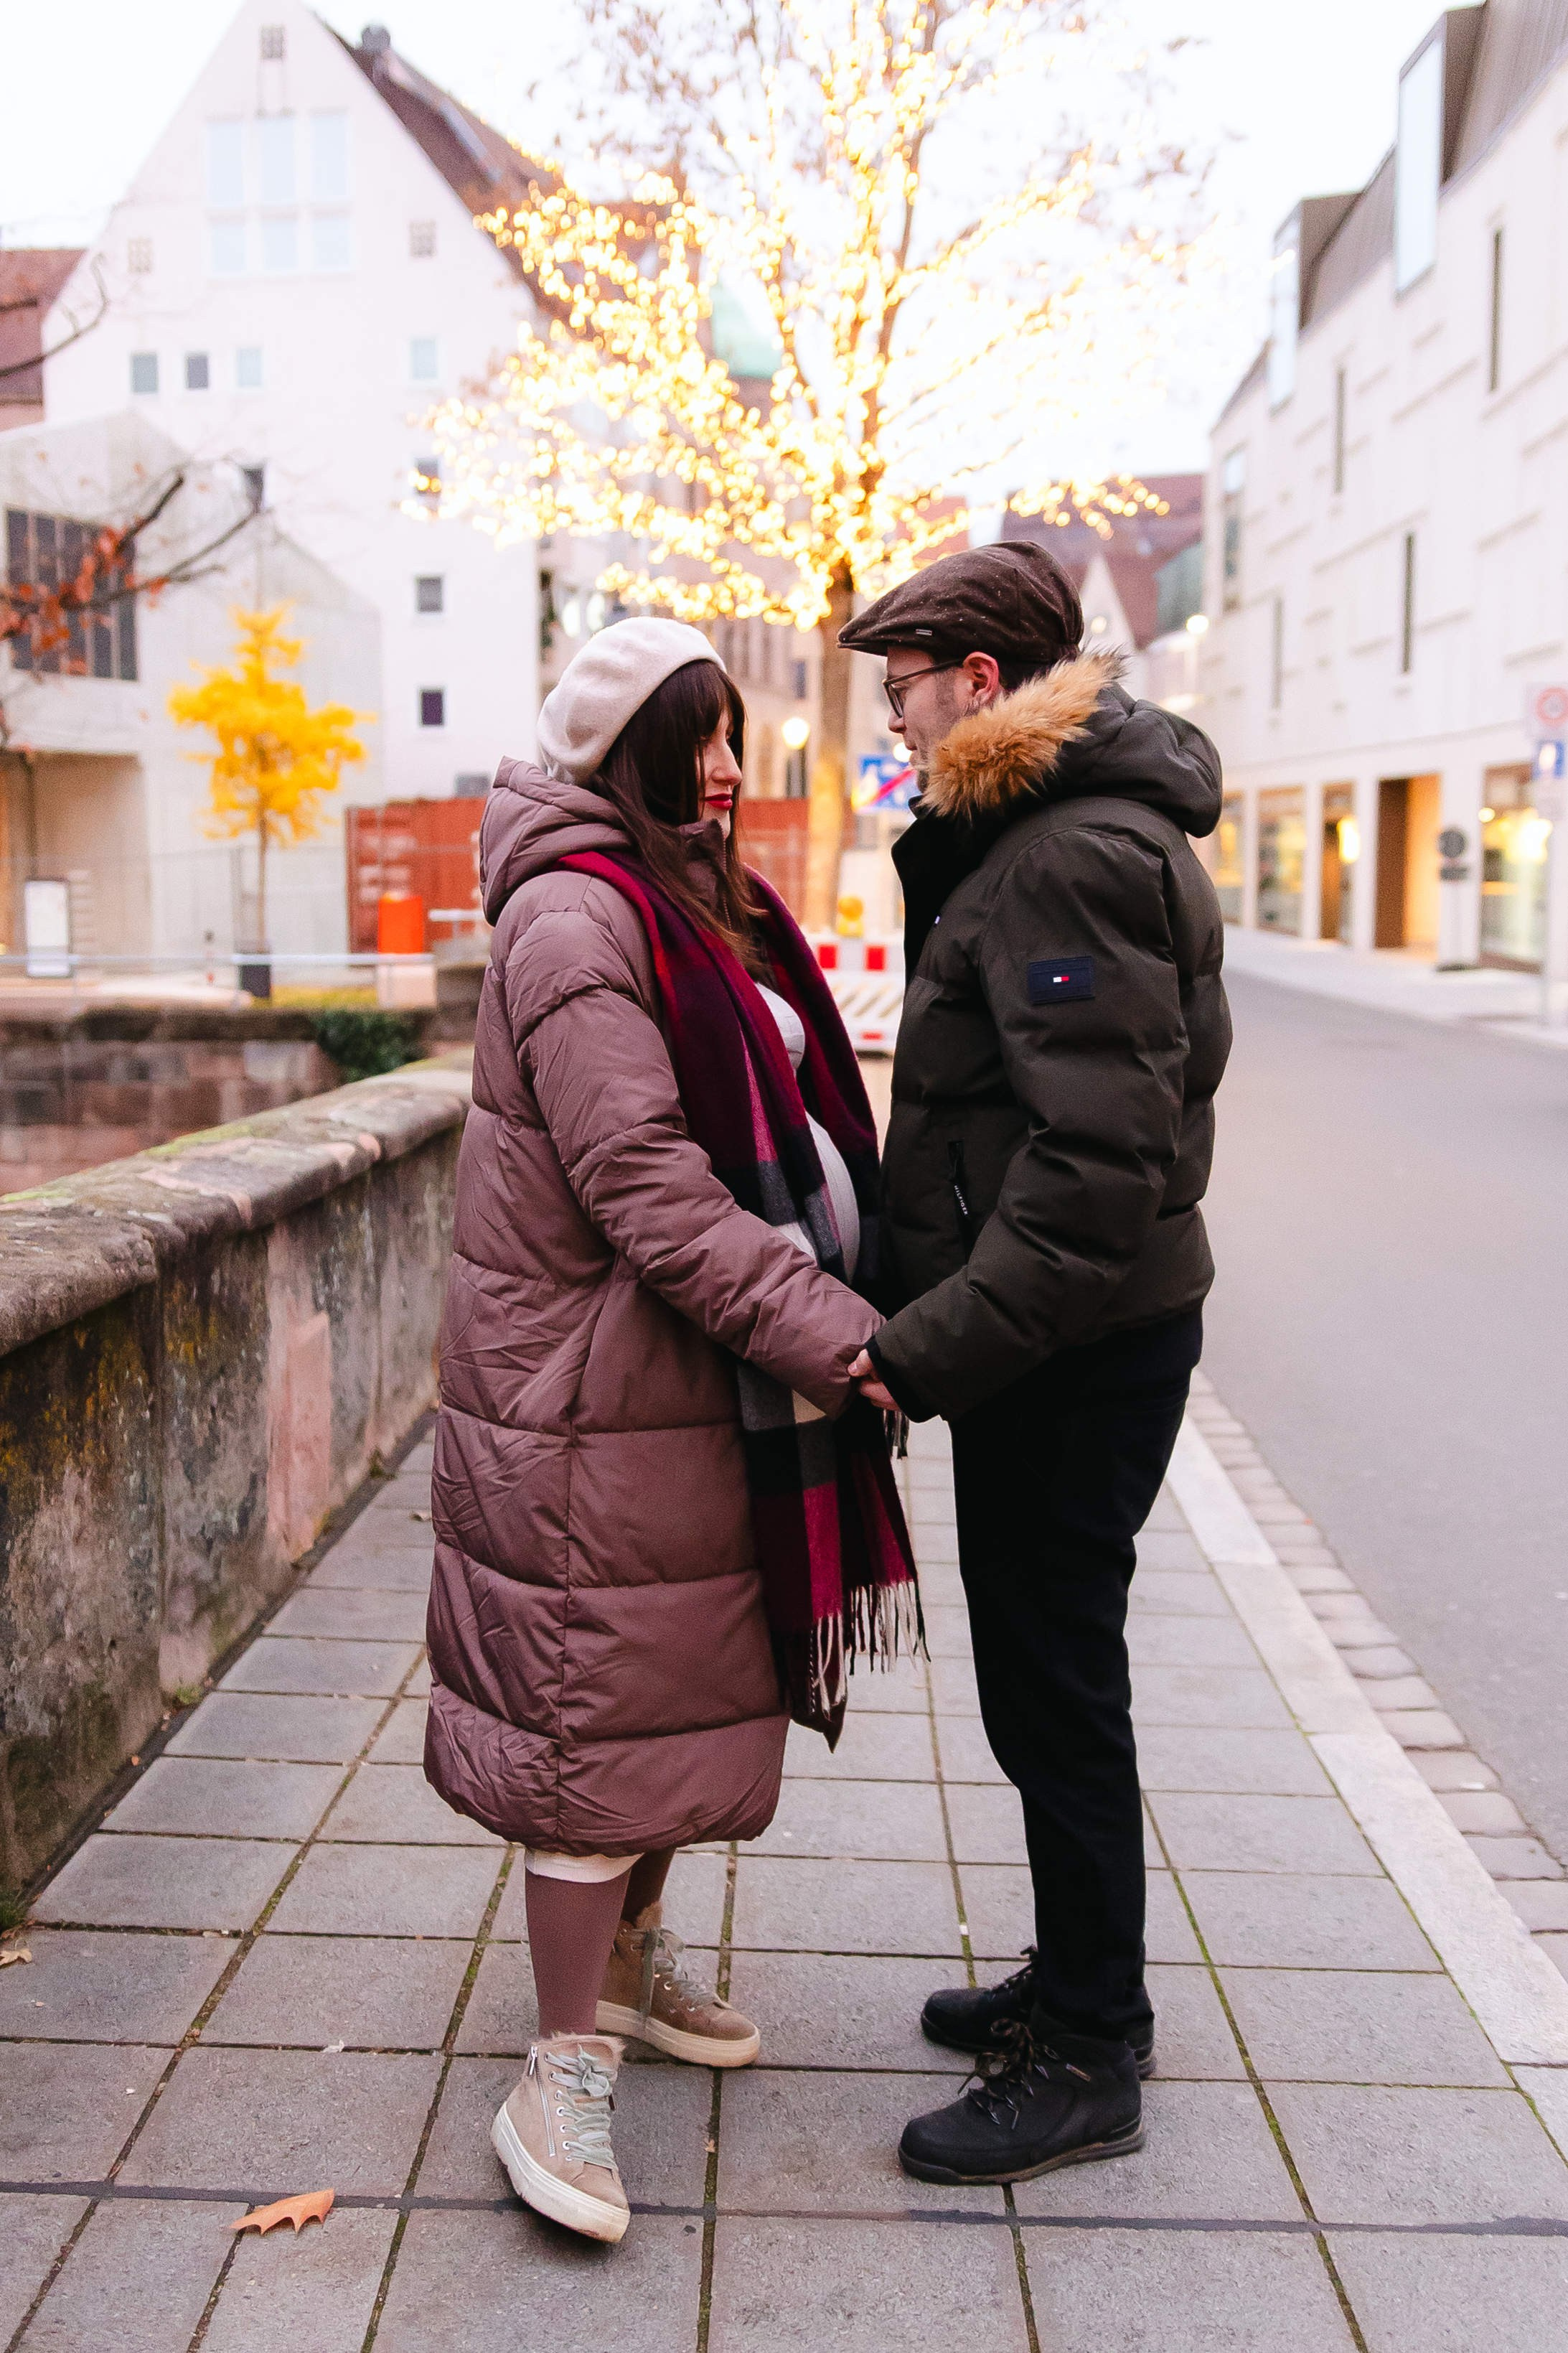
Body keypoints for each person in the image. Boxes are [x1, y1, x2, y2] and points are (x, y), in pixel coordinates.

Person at [423, 618, 916, 2245]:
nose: (726, 768)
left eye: (733, 735)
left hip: (680, 1384)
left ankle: (625, 1975)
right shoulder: (574, 918)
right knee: (590, 1732)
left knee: (666, 1698)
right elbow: (643, 1186)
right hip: (589, 1397)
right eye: (696, 738)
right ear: (620, 750)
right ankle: (554, 2071)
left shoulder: (690, 894)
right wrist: (837, 1335)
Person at [840, 543, 1231, 2185]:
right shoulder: (1029, 829)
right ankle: (1081, 1979)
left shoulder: (1065, 851)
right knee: (1041, 1672)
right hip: (1063, 1330)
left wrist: (917, 1352)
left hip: (1075, 1340)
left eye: (903, 684)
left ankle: (1086, 2051)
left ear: (979, 686)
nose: (890, 713)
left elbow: (1090, 1168)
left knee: (1055, 1679)